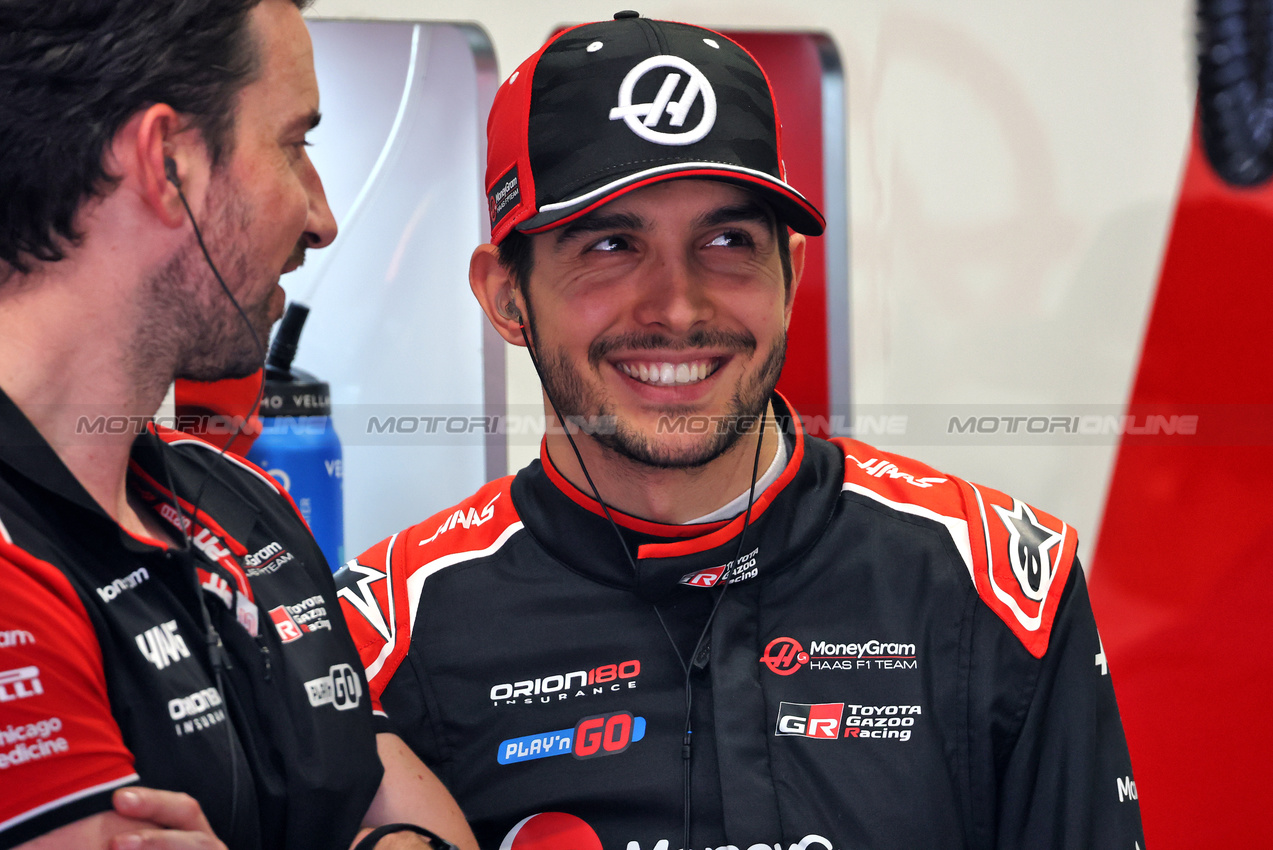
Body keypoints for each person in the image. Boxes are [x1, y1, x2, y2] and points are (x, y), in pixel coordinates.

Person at [336, 12, 1146, 849]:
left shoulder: (999, 586)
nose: (679, 308)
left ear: (790, 275)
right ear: (506, 297)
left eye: (727, 241)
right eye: (611, 244)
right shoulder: (379, 638)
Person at [0, 2, 477, 849]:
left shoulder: (236, 500)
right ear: (169, 162)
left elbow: (411, 813)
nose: (321, 217)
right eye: (295, 144)